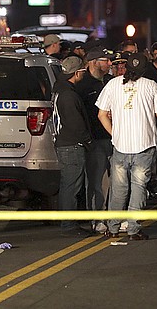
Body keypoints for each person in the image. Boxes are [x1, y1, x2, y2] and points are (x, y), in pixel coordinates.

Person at [97, 53, 157, 239]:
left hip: (120, 146)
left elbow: (101, 114)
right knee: (138, 187)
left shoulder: (112, 85)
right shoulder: (151, 86)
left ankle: (112, 228)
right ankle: (133, 229)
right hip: (144, 145)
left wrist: (114, 133)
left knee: (119, 188)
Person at [51, 55, 93, 236]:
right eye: (82, 71)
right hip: (71, 145)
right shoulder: (68, 95)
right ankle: (68, 224)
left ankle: (68, 222)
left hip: (64, 143)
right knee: (71, 185)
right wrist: (88, 140)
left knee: (68, 184)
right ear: (77, 73)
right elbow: (76, 124)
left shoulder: (59, 90)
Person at [75, 48, 113, 231]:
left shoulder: (111, 82)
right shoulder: (82, 86)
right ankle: (97, 218)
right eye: (106, 60)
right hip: (95, 140)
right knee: (96, 182)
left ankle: (113, 217)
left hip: (114, 138)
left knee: (116, 182)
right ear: (93, 61)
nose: (110, 64)